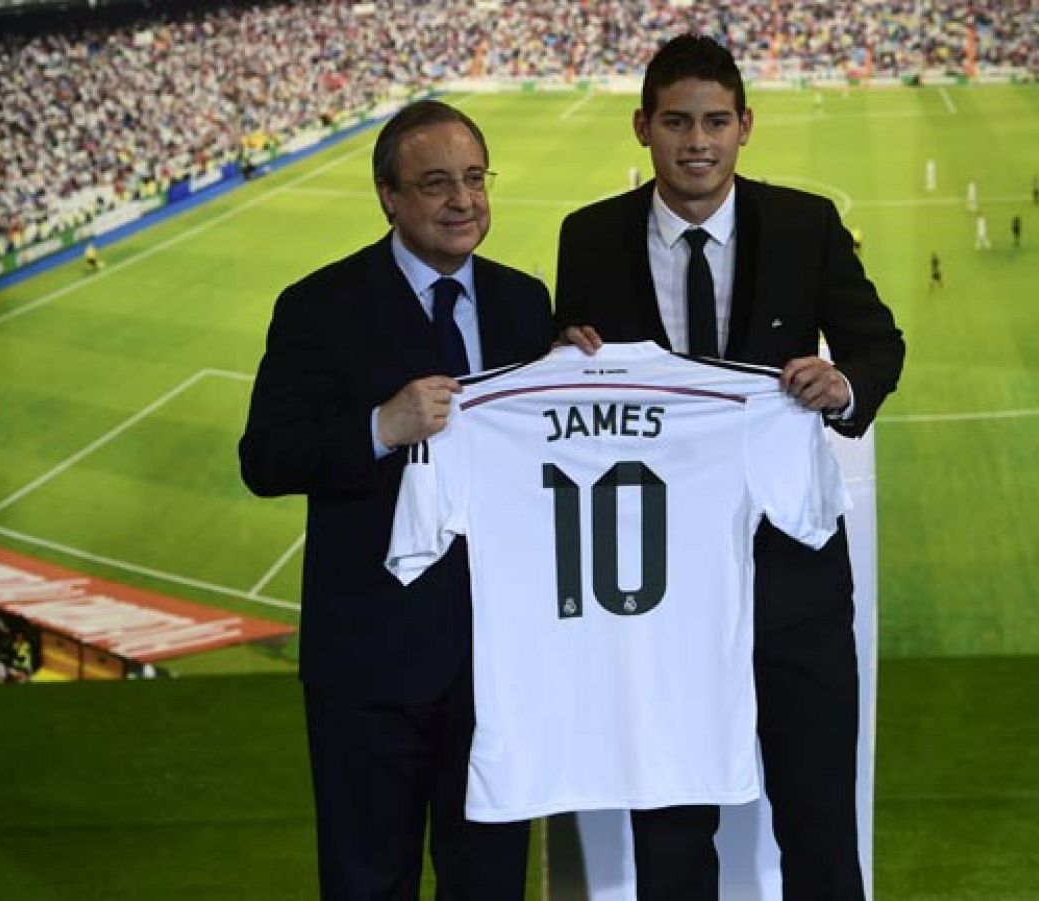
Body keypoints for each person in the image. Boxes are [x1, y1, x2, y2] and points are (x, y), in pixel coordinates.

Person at [553, 34, 904, 901]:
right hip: (657, 593)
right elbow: (570, 385)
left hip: (793, 583)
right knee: (671, 839)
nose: (697, 141)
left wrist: (847, 382)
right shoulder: (589, 239)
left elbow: (878, 343)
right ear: (643, 127)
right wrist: (562, 355)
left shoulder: (807, 224)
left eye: (715, 121)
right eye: (677, 121)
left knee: (818, 824)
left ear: (746, 125)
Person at [238, 100, 553, 900]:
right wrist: (380, 425)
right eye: (437, 182)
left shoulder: (526, 305)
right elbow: (266, 458)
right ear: (388, 196)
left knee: (489, 883)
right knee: (367, 880)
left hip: (497, 666)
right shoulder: (318, 306)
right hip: (369, 668)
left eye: (476, 179)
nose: (463, 200)